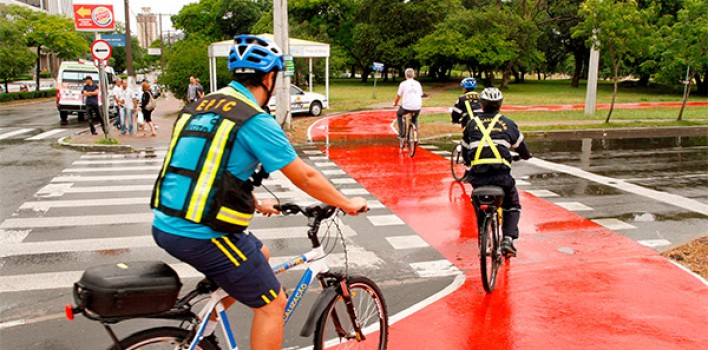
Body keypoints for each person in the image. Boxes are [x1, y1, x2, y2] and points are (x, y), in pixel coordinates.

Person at [151, 34, 367, 350]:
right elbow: (304, 176)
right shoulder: (253, 118)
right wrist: (347, 203)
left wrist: (253, 201)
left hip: (166, 222)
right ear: (269, 77)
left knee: (260, 254)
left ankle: (205, 332)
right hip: (199, 233)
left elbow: (207, 169)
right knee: (272, 305)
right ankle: (200, 336)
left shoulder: (200, 105)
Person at [461, 87, 532, 257]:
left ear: (482, 105)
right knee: (512, 204)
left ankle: (482, 234)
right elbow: (522, 149)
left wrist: (469, 164)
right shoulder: (508, 123)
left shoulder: (472, 124)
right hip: (501, 177)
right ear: (500, 105)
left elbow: (465, 151)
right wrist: (525, 155)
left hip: (477, 177)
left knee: (479, 204)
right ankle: (507, 239)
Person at [393, 68, 423, 146]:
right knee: (415, 119)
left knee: (399, 114)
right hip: (417, 107)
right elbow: (420, 94)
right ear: (413, 75)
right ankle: (415, 136)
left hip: (406, 107)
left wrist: (395, 103)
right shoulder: (418, 83)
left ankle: (402, 134)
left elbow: (398, 96)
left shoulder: (403, 84)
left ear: (406, 75)